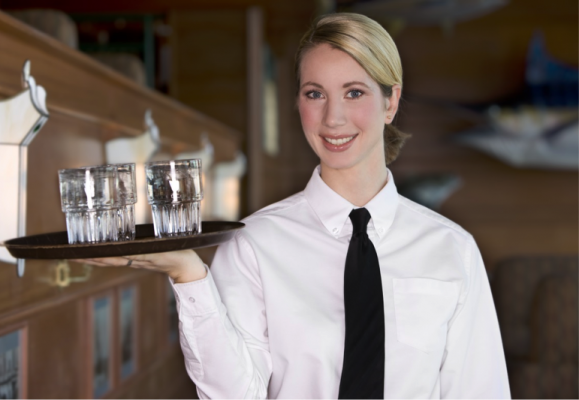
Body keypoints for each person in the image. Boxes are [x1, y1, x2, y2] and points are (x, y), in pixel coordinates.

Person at [83, 13, 511, 400]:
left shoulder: (453, 250)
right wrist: (189, 275)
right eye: (315, 93)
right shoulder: (255, 243)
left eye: (355, 92)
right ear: (298, 102)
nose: (333, 118)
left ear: (391, 102)